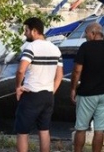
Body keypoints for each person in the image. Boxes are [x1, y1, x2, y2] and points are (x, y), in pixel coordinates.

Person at [71, 22, 104, 152]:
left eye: (86, 33)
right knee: (100, 130)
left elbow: (77, 71)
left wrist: (72, 89)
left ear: (93, 33)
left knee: (81, 128)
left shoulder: (85, 47)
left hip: (87, 93)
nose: (85, 36)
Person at [14, 17, 63, 152]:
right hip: (48, 95)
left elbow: (20, 70)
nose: (25, 33)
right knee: (44, 130)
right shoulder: (55, 49)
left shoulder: (31, 47)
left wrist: (18, 87)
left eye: (26, 30)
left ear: (34, 31)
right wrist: (52, 91)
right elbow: (60, 75)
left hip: (31, 95)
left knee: (23, 132)